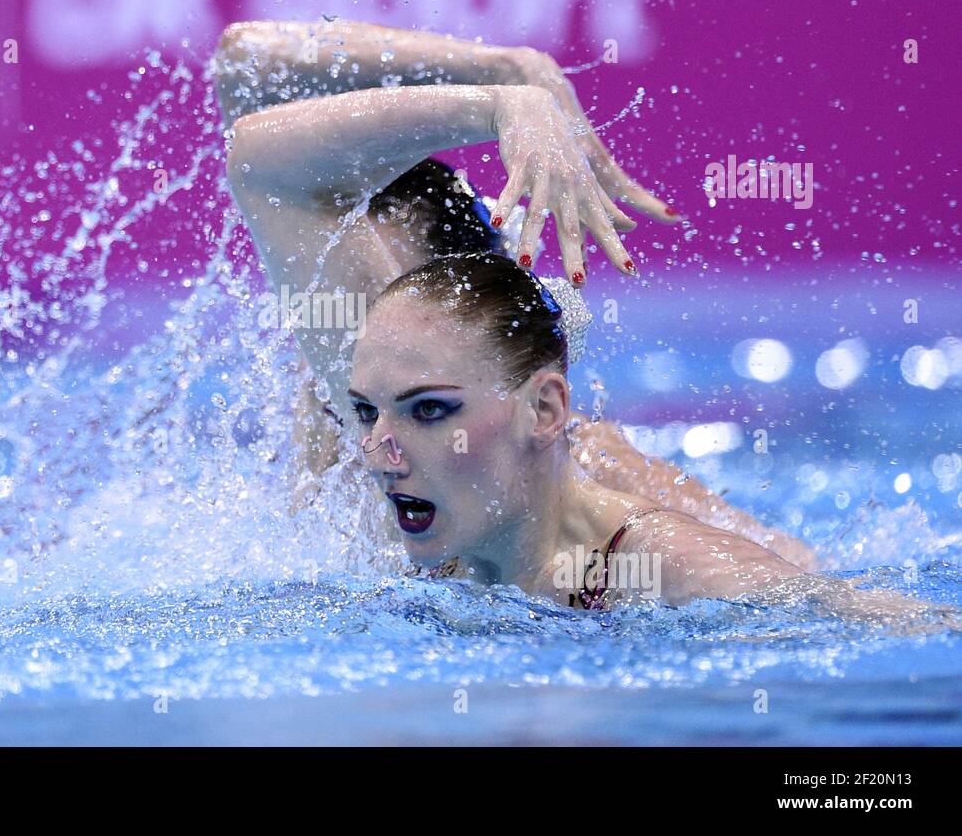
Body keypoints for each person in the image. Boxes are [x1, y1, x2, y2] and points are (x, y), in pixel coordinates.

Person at [211, 19, 817, 568]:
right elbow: (245, 62)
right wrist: (500, 79)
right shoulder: (341, 374)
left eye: (391, 295)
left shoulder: (567, 460)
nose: (368, 327)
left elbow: (785, 570)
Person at [348, 252, 954, 627]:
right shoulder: (450, 523)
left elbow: (911, 629)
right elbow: (264, 163)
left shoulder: (666, 567)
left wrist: (510, 89)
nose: (378, 453)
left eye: (429, 411)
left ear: (543, 410)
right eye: (364, 412)